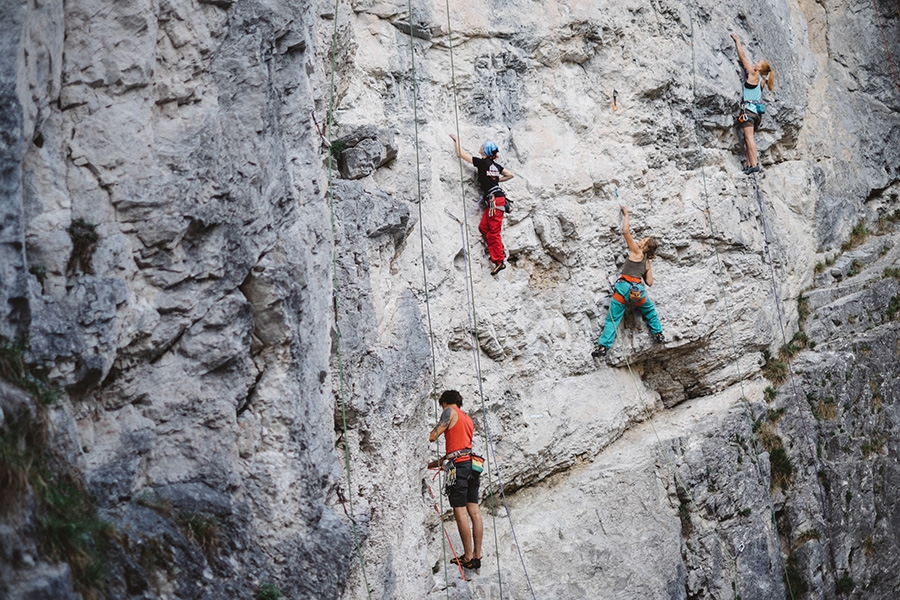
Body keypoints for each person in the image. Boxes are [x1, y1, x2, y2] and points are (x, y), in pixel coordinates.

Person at [592, 206, 664, 358]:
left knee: (613, 319)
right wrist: (647, 268)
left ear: (644, 247)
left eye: (642, 240)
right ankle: (658, 334)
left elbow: (625, 232)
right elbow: (650, 283)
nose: (639, 241)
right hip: (638, 292)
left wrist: (626, 214)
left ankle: (603, 347)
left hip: (623, 287)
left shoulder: (637, 251)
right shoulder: (646, 263)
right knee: (650, 311)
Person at [427, 390, 483, 570]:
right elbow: (458, 450)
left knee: (460, 513)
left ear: (445, 402)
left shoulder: (449, 411)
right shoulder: (467, 419)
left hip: (459, 468)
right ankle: (477, 556)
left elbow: (433, 435)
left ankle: (467, 557)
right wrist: (432, 464)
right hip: (472, 465)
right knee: (474, 511)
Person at [449, 134, 515, 275]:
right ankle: (497, 250)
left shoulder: (482, 163)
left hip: (495, 201)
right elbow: (510, 175)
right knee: (484, 227)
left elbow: (460, 154)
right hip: (497, 199)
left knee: (494, 232)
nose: (480, 147)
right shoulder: (496, 167)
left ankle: (499, 260)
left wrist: (457, 140)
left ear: (485, 151)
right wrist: (496, 182)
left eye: (482, 147)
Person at [731, 32, 774, 175]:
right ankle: (749, 164)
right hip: (757, 115)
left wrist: (737, 40)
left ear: (759, 69)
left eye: (758, 63)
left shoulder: (754, 74)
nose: (755, 63)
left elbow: (742, 58)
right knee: (748, 138)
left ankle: (754, 164)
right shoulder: (763, 80)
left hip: (749, 111)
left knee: (748, 138)